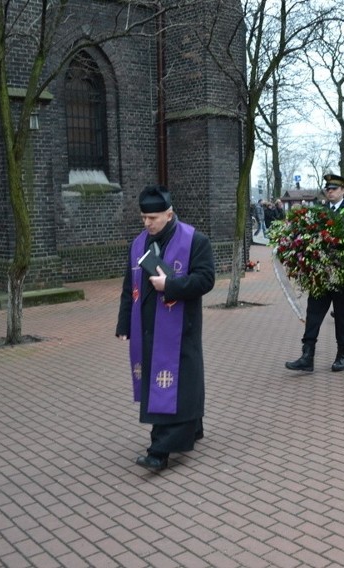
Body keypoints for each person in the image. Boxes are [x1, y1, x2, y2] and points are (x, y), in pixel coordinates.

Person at [116, 185, 216, 472]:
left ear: (169, 215)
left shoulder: (195, 240)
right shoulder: (138, 245)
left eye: (153, 218)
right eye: (143, 218)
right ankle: (193, 426)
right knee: (169, 385)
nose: (147, 224)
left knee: (176, 385)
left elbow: (206, 280)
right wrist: (124, 323)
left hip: (180, 328)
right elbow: (128, 288)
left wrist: (169, 285)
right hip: (147, 329)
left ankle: (159, 450)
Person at [285, 174, 344, 373]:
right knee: (313, 313)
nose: (330, 191)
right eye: (328, 188)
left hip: (340, 273)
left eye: (334, 188)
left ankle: (341, 354)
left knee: (342, 314)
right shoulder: (319, 211)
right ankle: (307, 355)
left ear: (343, 190)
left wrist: (337, 250)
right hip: (319, 273)